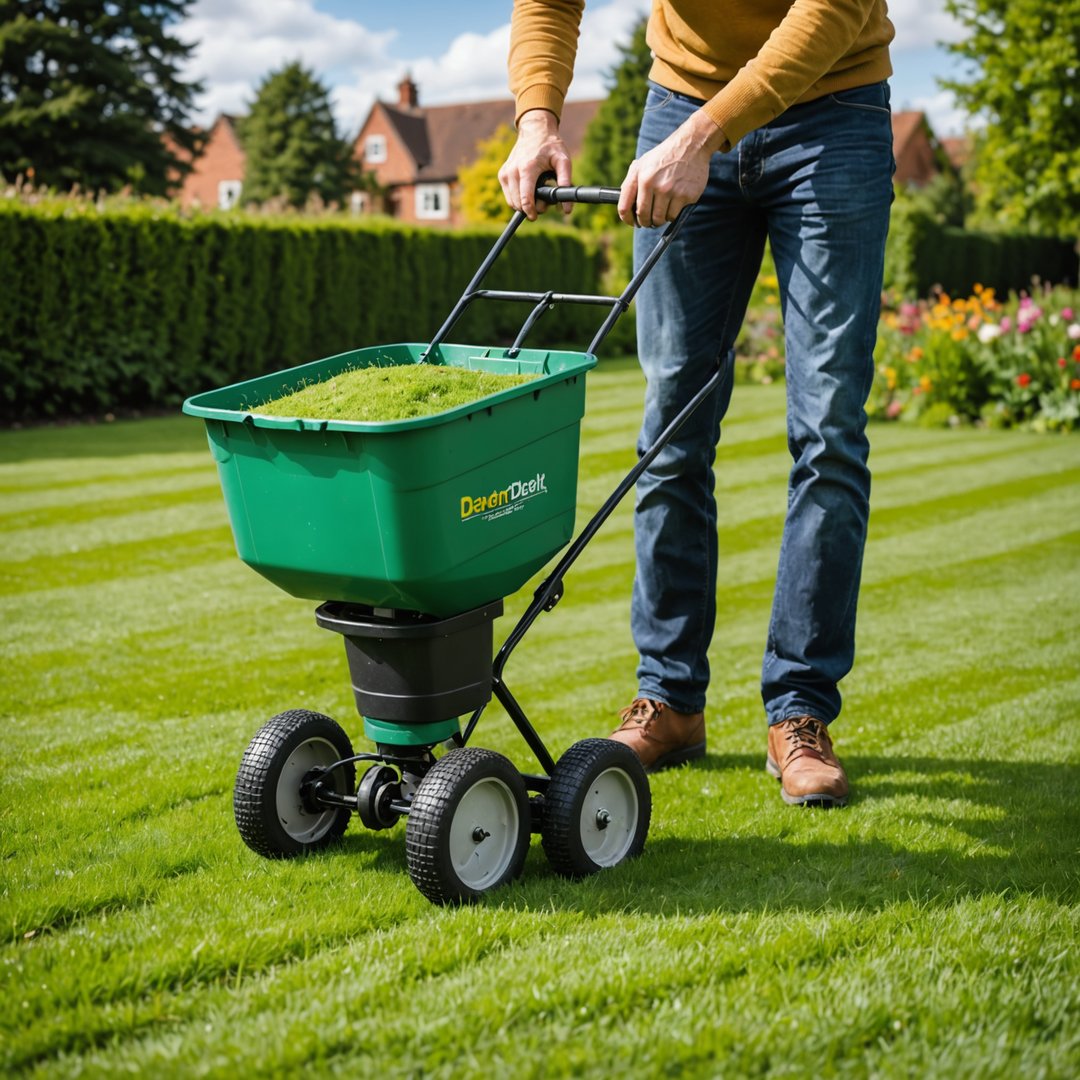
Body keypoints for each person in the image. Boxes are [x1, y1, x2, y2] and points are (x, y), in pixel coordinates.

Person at [499, 0, 895, 807]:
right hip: (679, 101)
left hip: (833, 111)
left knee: (828, 429)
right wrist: (536, 118)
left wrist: (705, 136)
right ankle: (670, 699)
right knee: (670, 431)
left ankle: (800, 710)